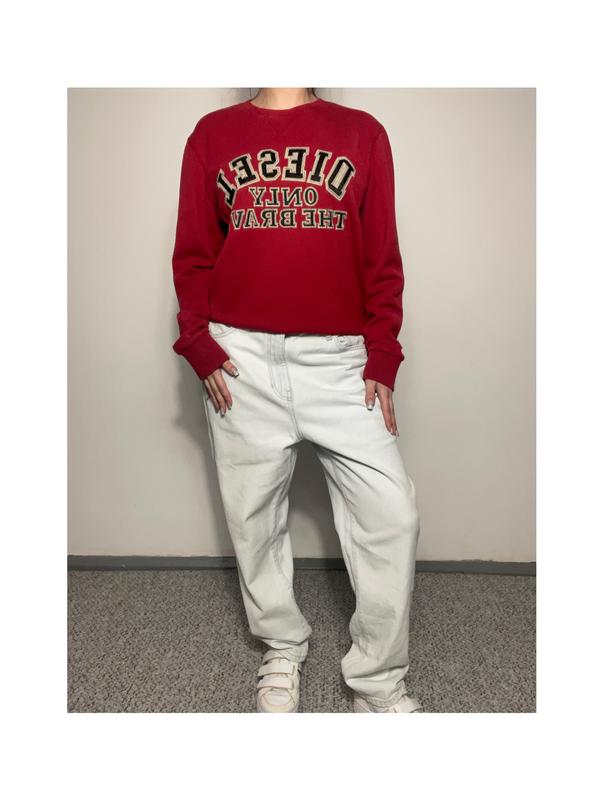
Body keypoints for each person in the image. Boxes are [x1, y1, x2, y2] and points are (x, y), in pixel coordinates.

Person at [171, 87, 423, 713]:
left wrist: (383, 353)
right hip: (241, 359)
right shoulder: (211, 134)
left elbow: (382, 257)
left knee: (391, 512)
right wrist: (198, 342)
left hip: (339, 361)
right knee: (252, 517)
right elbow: (195, 253)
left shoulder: (362, 133)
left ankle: (377, 683)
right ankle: (282, 645)